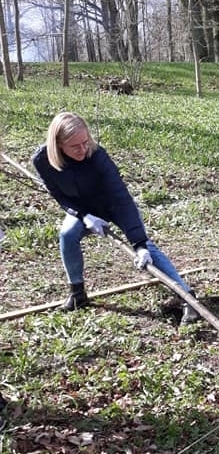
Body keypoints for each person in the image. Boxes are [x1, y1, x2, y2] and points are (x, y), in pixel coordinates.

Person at [32, 112, 199, 324]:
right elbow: (59, 195)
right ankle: (77, 293)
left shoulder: (97, 156)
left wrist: (138, 243)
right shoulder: (42, 160)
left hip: (111, 205)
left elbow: (121, 197)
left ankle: (188, 299)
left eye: (85, 142)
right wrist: (83, 215)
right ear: (58, 145)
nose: (83, 149)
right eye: (75, 146)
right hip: (83, 210)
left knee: (146, 247)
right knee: (67, 235)